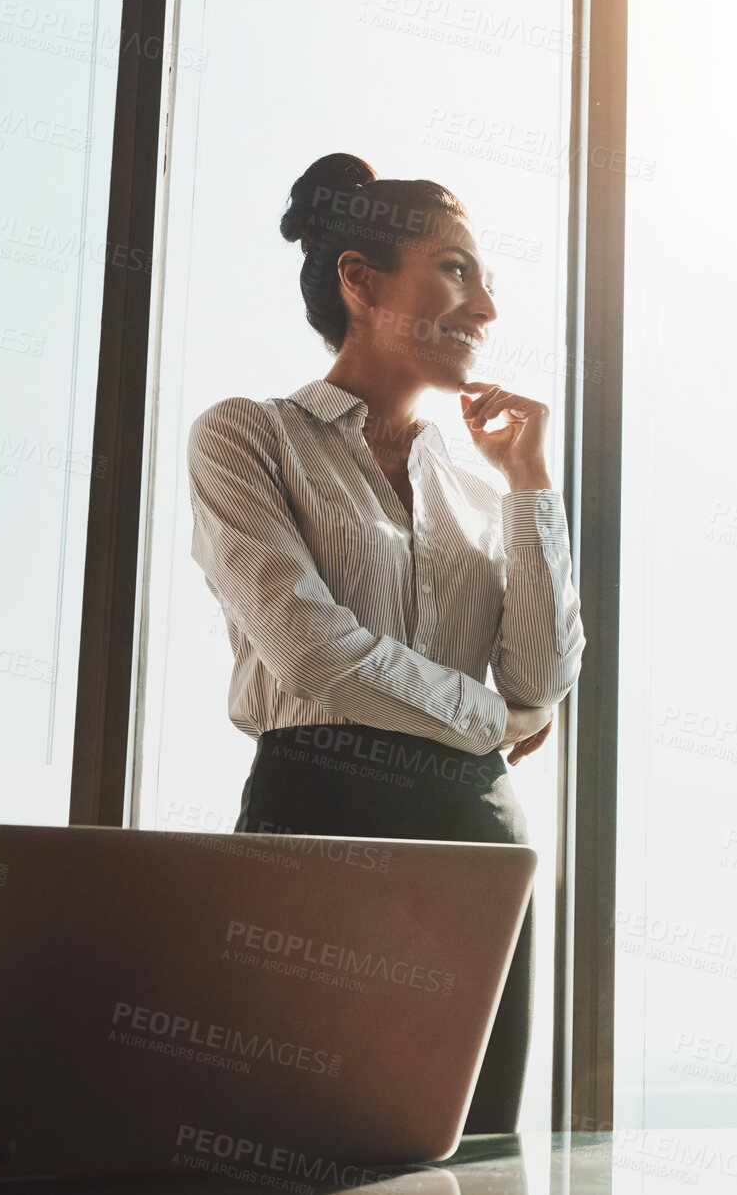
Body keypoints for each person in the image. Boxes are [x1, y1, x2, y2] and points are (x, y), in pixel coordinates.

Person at [185, 151, 583, 1132]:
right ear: (361, 283)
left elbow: (546, 671)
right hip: (317, 807)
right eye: (456, 268)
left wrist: (531, 484)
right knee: (289, 1137)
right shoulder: (248, 437)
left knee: (471, 1145)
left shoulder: (485, 491)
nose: (485, 305)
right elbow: (314, 652)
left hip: (477, 834)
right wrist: (495, 719)